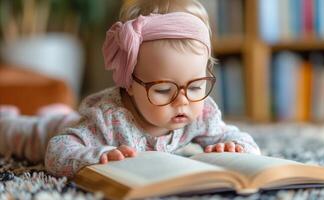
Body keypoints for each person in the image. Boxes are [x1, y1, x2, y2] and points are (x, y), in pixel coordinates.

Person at [0, 0, 260, 178]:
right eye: (163, 90)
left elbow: (244, 141)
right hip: (59, 131)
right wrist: (96, 155)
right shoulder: (108, 118)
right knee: (21, 133)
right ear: (130, 83)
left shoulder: (201, 113)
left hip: (73, 121)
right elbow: (56, 152)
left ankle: (54, 112)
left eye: (196, 86)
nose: (182, 102)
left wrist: (233, 147)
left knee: (63, 117)